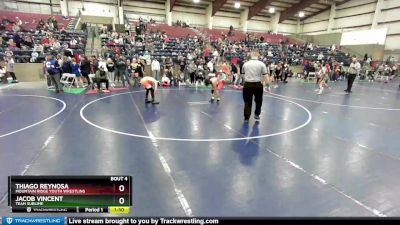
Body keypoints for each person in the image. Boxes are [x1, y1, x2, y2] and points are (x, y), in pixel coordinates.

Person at [242, 49, 268, 122]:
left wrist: (246, 81)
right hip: (258, 85)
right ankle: (257, 115)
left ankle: (246, 118)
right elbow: (265, 76)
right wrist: (268, 85)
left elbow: (243, 75)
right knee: (258, 101)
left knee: (247, 102)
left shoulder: (245, 64)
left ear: (251, 54)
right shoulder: (262, 64)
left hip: (247, 84)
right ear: (258, 54)